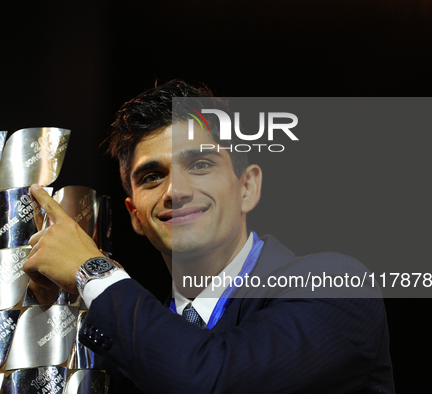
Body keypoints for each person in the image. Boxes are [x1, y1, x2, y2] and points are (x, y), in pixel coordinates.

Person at [23, 80, 394, 393]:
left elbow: (212, 378)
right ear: (134, 214)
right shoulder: (119, 344)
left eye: (200, 165)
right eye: (152, 176)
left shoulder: (334, 285)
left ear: (247, 187)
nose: (174, 191)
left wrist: (95, 274)